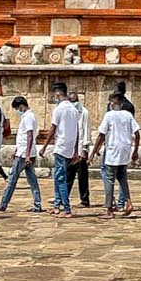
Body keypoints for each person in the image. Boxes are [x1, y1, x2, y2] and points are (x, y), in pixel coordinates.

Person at [92, 91, 141, 216]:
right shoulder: (128, 115)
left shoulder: (109, 115)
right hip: (125, 150)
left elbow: (101, 135)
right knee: (122, 177)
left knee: (109, 179)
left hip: (113, 150)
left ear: (112, 103)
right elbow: (137, 133)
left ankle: (109, 209)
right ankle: (128, 202)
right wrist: (135, 151)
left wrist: (93, 153)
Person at [0, 96, 43, 213]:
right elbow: (24, 137)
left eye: (17, 109)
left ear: (21, 107)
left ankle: (3, 204)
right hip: (25, 152)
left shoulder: (28, 117)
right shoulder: (29, 117)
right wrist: (17, 149)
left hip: (24, 155)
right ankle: (37, 204)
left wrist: (26, 154)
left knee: (12, 179)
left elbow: (29, 136)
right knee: (32, 180)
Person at [43, 83, 81, 216]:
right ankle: (57, 205)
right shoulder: (74, 110)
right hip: (70, 147)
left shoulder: (59, 109)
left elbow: (53, 129)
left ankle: (66, 208)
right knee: (58, 176)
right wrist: (76, 150)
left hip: (61, 146)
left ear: (58, 94)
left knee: (60, 178)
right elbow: (77, 131)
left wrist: (44, 146)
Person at [70, 90, 92, 209]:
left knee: (82, 177)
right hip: (71, 151)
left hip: (80, 149)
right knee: (68, 175)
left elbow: (86, 131)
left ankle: (85, 200)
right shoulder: (70, 113)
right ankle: (64, 198)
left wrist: (85, 149)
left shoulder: (84, 112)